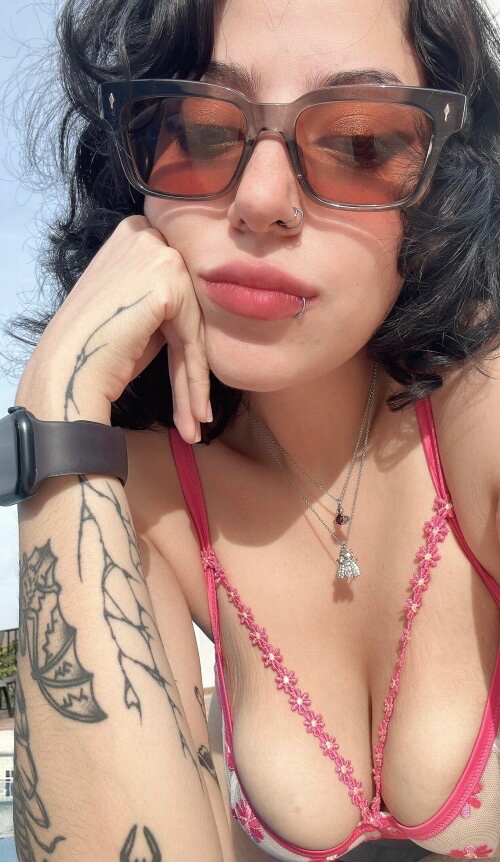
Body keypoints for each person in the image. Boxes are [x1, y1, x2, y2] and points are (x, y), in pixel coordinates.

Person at [4, 0, 499, 859]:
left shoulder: (479, 399)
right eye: (199, 133)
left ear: (444, 185)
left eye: (359, 143)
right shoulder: (145, 491)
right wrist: (55, 407)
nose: (261, 201)